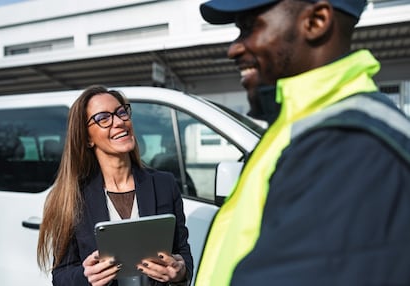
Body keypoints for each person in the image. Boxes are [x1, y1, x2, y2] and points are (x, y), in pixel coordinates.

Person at [195, 0, 410, 285]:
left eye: (248, 27)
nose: (233, 48)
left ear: (316, 21)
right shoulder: (300, 124)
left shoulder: (349, 145)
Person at [37, 85, 193, 286]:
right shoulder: (72, 196)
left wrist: (180, 272)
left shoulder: (164, 184)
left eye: (121, 112)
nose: (119, 122)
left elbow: (183, 255)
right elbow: (60, 276)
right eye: (103, 118)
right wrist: (87, 277)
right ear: (86, 139)